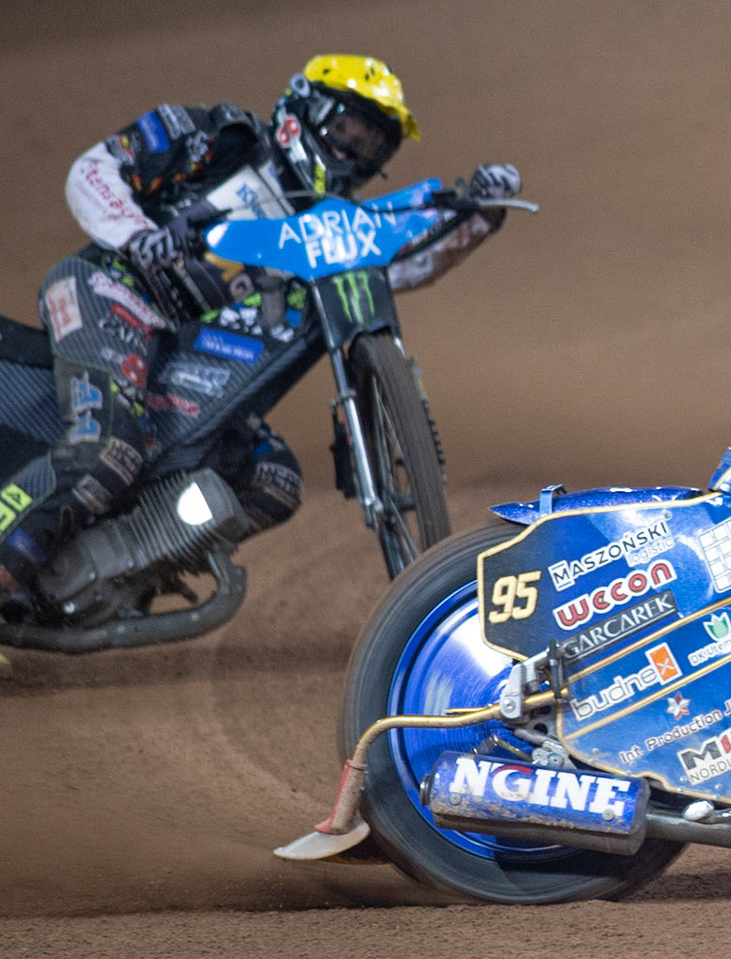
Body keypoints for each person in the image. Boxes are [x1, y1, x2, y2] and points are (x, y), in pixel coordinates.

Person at [0, 54, 519, 602]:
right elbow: (95, 169)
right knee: (107, 448)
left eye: (374, 145)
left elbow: (398, 265)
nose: (353, 152)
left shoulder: (326, 228)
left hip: (186, 352)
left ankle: (106, 572)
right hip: (109, 290)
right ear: (302, 112)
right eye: (348, 128)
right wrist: (135, 234)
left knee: (274, 480)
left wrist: (479, 215)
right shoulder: (220, 137)